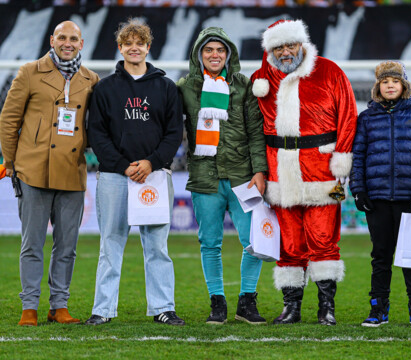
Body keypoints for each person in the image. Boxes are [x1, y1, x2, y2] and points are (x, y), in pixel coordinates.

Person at [251, 19, 357, 325]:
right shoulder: (261, 78)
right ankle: (292, 308)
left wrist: (341, 160)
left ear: (302, 44)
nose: (286, 52)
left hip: (322, 171)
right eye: (278, 47)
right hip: (280, 174)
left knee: (324, 240)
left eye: (290, 45)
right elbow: (252, 128)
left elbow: (349, 116)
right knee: (290, 244)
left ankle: (327, 307)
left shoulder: (329, 71)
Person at [85, 19, 184, 326]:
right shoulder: (104, 88)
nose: (134, 47)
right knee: (110, 244)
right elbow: (96, 134)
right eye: (128, 43)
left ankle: (163, 308)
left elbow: (174, 133)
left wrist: (151, 163)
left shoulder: (166, 87)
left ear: (148, 47)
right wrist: (123, 165)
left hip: (154, 176)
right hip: (115, 177)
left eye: (139, 42)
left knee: (157, 246)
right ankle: (102, 310)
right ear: (120, 48)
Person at [0, 21, 99, 326]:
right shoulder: (30, 71)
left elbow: (96, 126)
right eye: (62, 37)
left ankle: (59, 306)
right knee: (32, 244)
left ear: (81, 44)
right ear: (52, 40)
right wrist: (13, 163)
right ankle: (29, 306)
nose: (67, 43)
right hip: (32, 171)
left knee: (67, 246)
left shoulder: (92, 79)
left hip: (72, 172)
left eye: (73, 38)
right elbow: (8, 120)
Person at [177, 27, 268, 325]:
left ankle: (247, 301)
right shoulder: (185, 87)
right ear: (198, 54)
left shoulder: (244, 86)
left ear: (229, 54)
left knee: (253, 241)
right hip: (205, 177)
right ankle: (217, 302)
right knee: (210, 243)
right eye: (208, 50)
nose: (214, 55)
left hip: (243, 176)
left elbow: (256, 132)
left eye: (220, 50)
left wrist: (259, 171)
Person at [349, 61, 411, 328]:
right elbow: (358, 156)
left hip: (409, 198)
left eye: (395, 81)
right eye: (385, 81)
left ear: (404, 85)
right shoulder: (366, 118)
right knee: (381, 256)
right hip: (377, 199)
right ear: (378, 87)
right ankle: (378, 309)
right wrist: (359, 189)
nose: (390, 85)